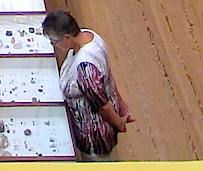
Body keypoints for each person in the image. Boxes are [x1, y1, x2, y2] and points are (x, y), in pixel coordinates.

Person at [42, 9, 134, 159]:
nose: (53, 45)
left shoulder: (85, 68)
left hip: (94, 136)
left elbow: (103, 107)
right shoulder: (89, 36)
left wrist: (119, 124)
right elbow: (107, 77)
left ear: (66, 37)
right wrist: (122, 106)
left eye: (54, 41)